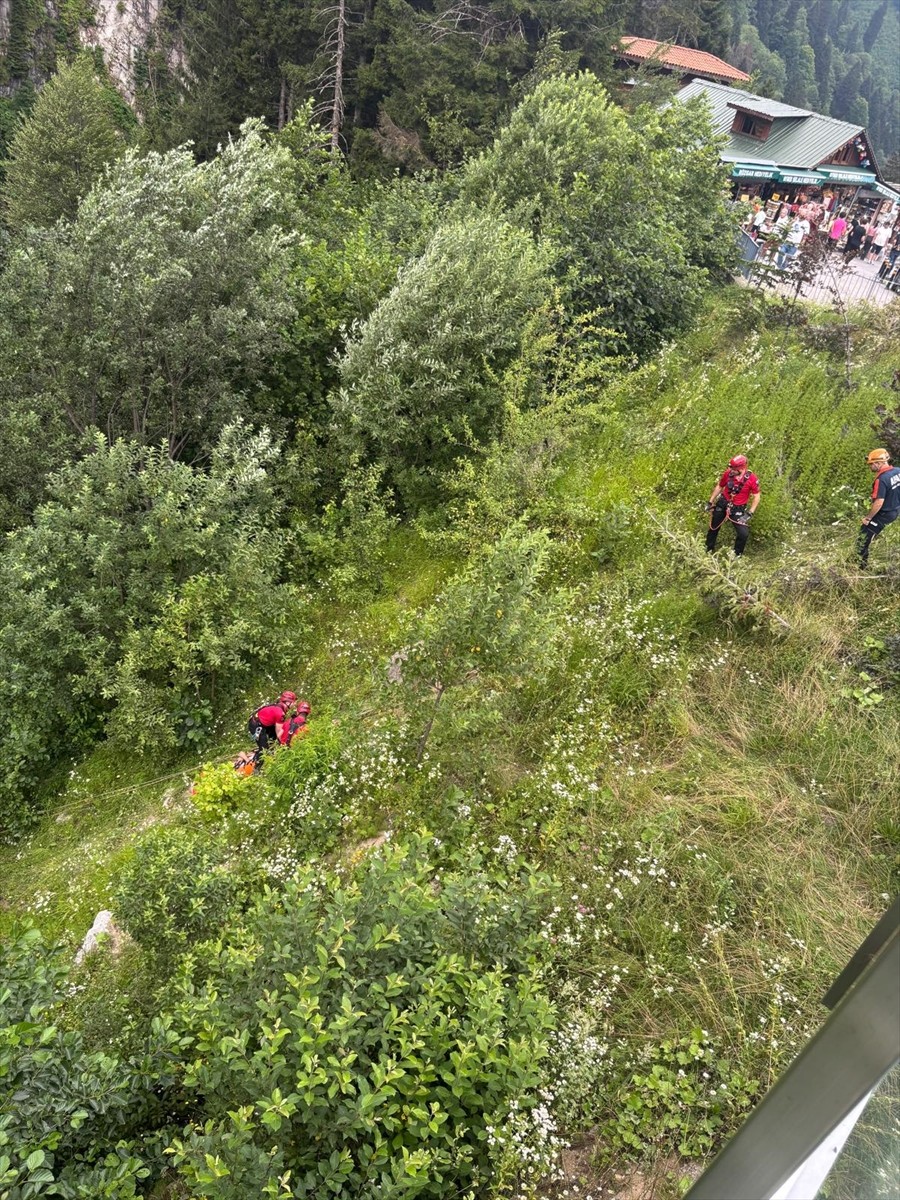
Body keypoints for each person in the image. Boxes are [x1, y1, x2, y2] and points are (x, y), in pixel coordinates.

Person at [706, 455, 761, 557]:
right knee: (713, 527)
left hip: (737, 509)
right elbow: (720, 486)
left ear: (742, 468)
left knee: (743, 534)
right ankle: (708, 550)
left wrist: (750, 513)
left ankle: (736, 556)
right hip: (723, 503)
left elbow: (756, 497)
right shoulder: (728, 473)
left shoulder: (752, 479)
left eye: (734, 469)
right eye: (731, 468)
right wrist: (710, 501)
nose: (731, 470)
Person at [858, 449, 900, 570]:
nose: (870, 466)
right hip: (895, 510)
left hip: (884, 513)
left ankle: (860, 566)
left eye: (871, 464)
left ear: (879, 463)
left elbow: (878, 502)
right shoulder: (898, 471)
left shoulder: (881, 479)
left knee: (863, 537)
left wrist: (868, 518)